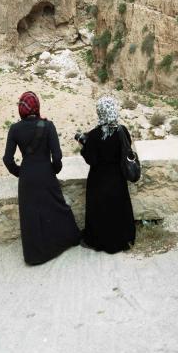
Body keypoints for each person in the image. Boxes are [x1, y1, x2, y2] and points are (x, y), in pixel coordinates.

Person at [3, 91, 80, 265]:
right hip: (46, 173)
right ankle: (67, 240)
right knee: (57, 208)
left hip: (27, 176)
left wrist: (20, 172)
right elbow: (58, 157)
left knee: (31, 216)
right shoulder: (48, 126)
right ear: (37, 107)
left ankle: (35, 256)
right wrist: (53, 171)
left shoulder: (15, 129)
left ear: (21, 109)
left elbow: (7, 159)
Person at [78, 96, 136, 254]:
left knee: (100, 212)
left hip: (99, 181)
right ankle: (123, 238)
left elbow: (91, 159)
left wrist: (83, 146)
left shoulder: (95, 135)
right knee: (118, 210)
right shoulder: (122, 131)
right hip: (117, 179)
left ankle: (100, 240)